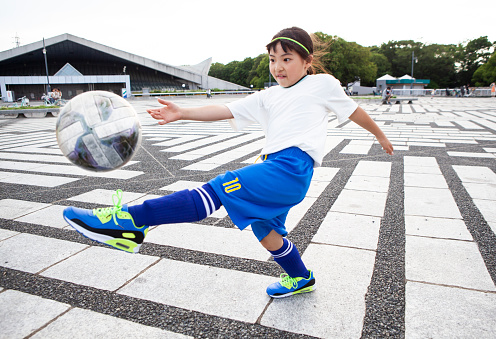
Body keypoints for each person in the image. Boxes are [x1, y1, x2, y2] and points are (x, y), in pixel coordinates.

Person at [63, 27, 394, 299]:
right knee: (267, 233)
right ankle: (301, 277)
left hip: (291, 168)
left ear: (307, 62)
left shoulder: (321, 84)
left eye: (287, 59)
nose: (278, 67)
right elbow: (226, 110)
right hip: (275, 166)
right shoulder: (269, 95)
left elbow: (353, 110)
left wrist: (379, 135)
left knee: (221, 186)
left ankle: (132, 221)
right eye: (273, 59)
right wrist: (183, 113)